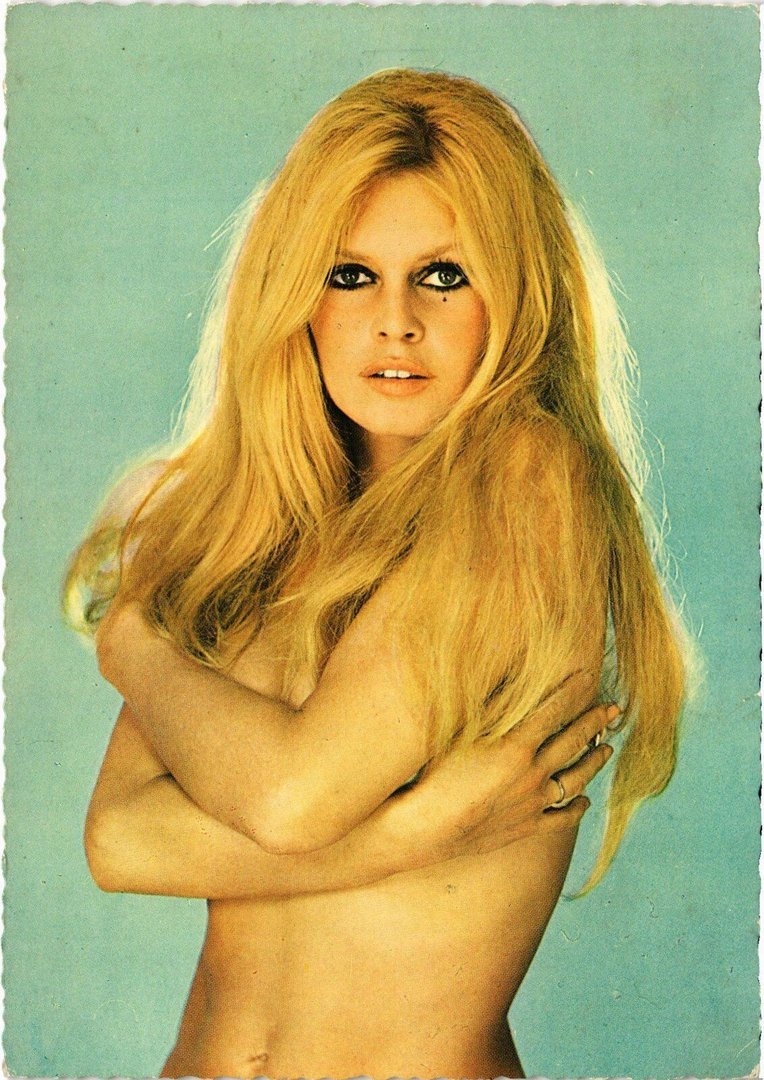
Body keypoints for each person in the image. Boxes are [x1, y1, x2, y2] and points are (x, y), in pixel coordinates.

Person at [65, 69, 686, 1079]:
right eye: (350, 275)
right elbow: (120, 843)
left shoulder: (528, 479)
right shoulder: (264, 527)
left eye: (443, 275)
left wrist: (129, 642)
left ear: (514, 293)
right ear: (296, 298)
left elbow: (291, 800)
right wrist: (414, 831)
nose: (394, 321)